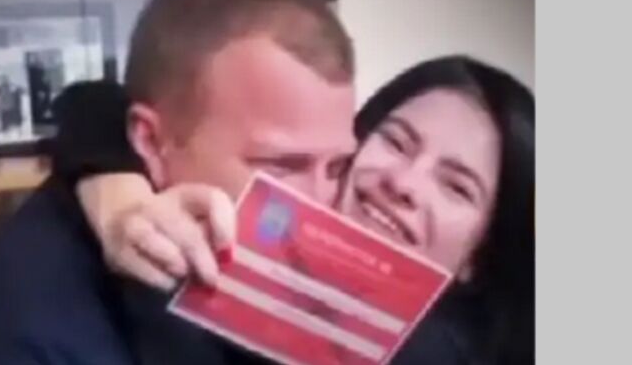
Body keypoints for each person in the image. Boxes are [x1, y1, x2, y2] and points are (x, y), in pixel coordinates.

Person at [0, 0, 356, 365]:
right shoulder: (27, 330)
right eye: (282, 165)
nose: (323, 208)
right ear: (152, 142)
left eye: (337, 168)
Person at [51, 55, 535, 365]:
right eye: (396, 142)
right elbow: (92, 102)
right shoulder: (259, 234)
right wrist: (121, 198)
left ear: (479, 255)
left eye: (456, 187)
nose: (403, 183)